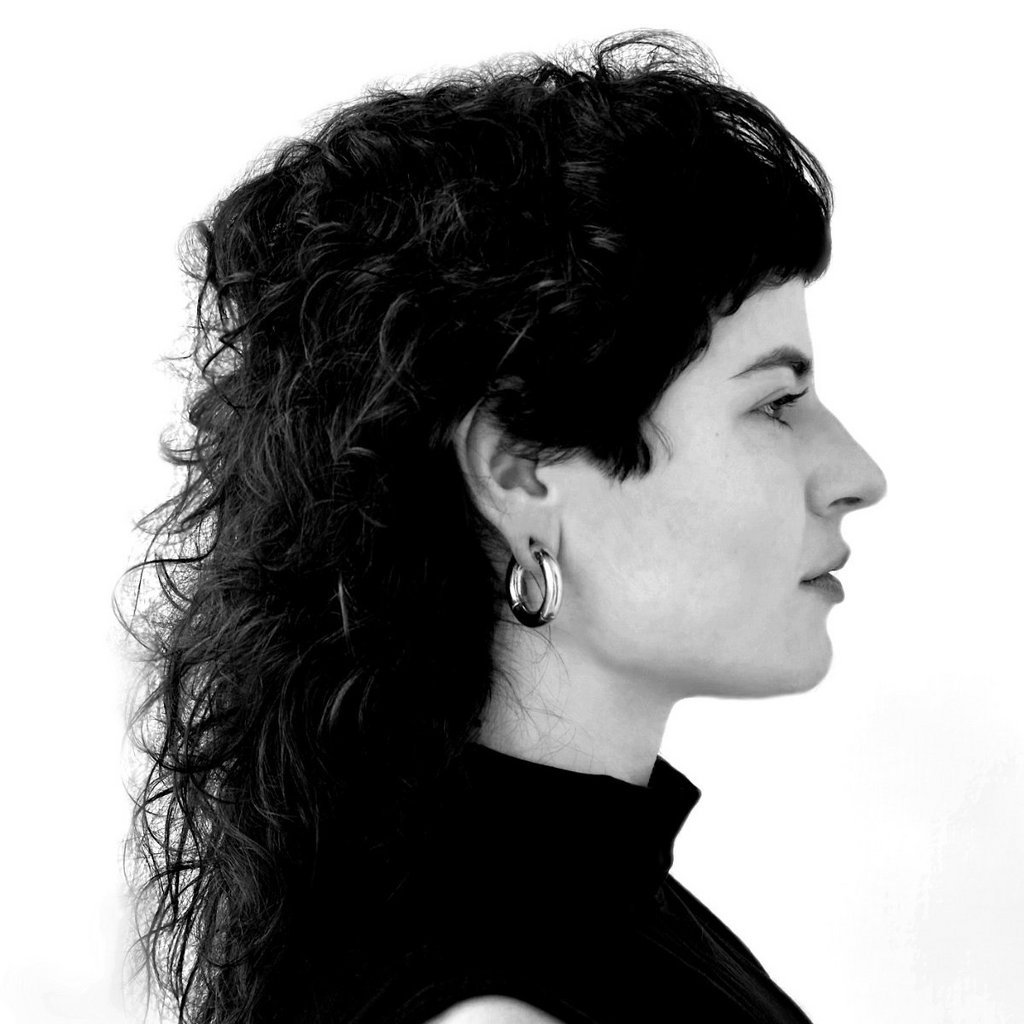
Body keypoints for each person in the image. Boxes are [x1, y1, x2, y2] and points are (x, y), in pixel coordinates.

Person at [118, 28, 887, 1024]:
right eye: (774, 403)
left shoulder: (596, 904)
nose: (858, 476)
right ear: (519, 469)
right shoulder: (497, 1003)